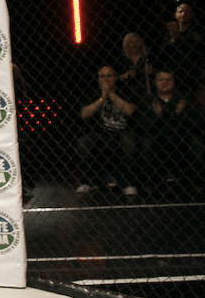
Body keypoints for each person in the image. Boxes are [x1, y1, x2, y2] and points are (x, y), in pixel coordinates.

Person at [75, 65, 139, 196]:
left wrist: (111, 94)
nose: (105, 79)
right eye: (102, 76)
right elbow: (84, 113)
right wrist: (102, 98)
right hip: (100, 132)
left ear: (115, 78)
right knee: (83, 143)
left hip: (123, 131)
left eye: (109, 76)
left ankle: (127, 183)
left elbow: (130, 110)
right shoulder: (92, 92)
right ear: (98, 79)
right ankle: (88, 182)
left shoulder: (125, 90)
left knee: (129, 143)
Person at [139, 68, 204, 190]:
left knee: (196, 145)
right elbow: (142, 125)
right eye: (161, 80)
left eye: (168, 80)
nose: (164, 83)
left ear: (174, 82)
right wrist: (158, 116)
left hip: (181, 135)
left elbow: (196, 121)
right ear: (155, 82)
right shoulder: (149, 99)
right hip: (157, 136)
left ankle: (195, 182)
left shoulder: (183, 97)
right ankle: (150, 183)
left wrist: (179, 113)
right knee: (146, 143)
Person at [118, 31, 154, 105]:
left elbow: (160, 72)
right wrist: (127, 75)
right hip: (129, 94)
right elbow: (117, 77)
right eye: (131, 42)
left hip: (149, 91)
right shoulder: (122, 60)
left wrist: (153, 71)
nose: (134, 45)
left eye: (136, 42)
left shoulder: (149, 57)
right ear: (126, 45)